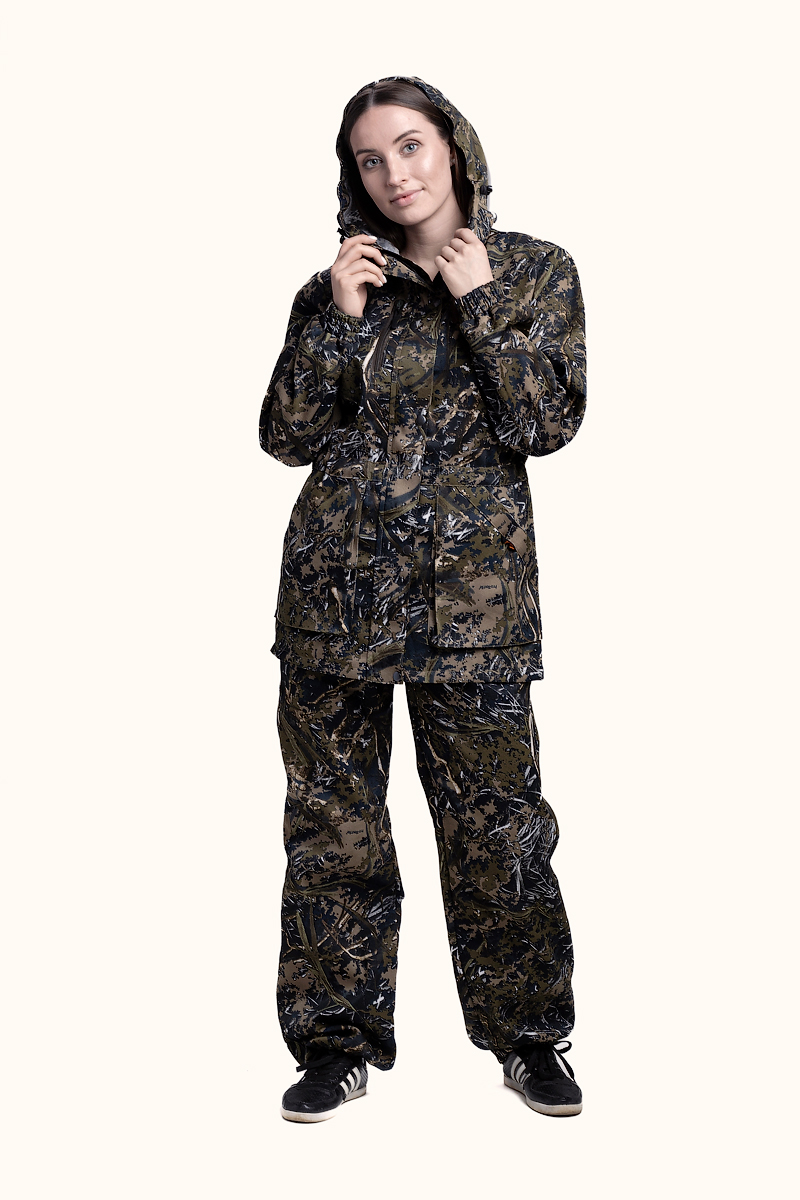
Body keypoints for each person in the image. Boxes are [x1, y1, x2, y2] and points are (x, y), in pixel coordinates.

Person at [258, 75, 587, 1123]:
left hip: (473, 614)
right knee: (334, 832)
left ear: (452, 146)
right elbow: (283, 437)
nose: (393, 174)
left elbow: (546, 422)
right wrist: (337, 320)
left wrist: (479, 298)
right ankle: (333, 1043)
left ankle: (528, 1038)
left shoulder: (534, 271)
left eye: (408, 146)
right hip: (333, 607)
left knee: (499, 832)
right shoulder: (333, 289)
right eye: (370, 158)